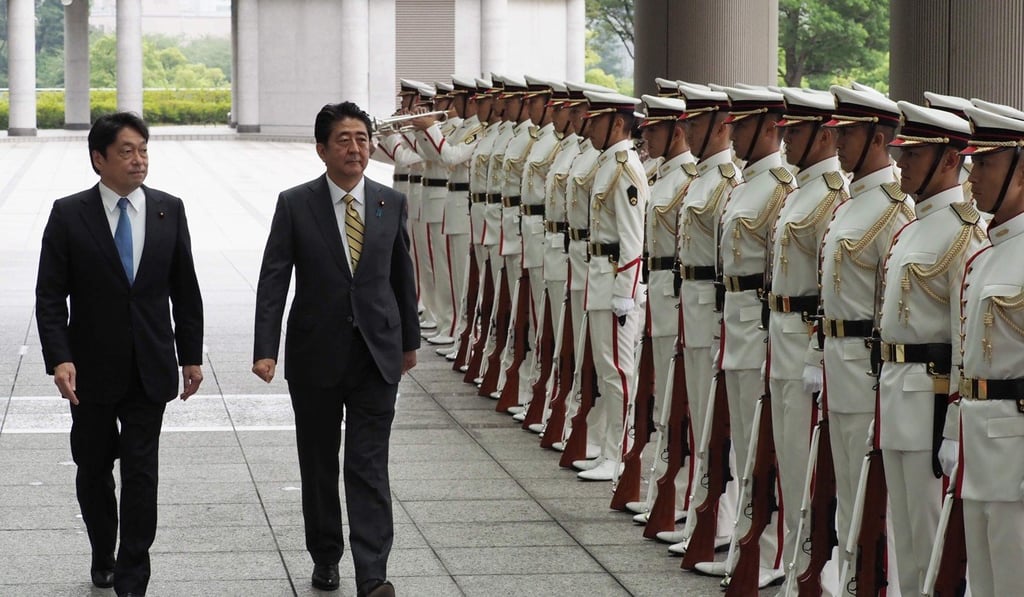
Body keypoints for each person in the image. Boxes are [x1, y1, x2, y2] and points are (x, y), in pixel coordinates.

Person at [252, 101, 419, 597]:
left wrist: (408, 341)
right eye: (344, 139)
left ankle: (373, 573)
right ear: (322, 148)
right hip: (315, 355)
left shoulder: (390, 202)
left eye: (363, 138)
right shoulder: (295, 203)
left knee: (369, 464)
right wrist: (266, 348)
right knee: (320, 462)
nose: (356, 148)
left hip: (376, 354)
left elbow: (401, 275)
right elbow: (274, 278)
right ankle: (326, 556)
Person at [35, 112, 204, 597]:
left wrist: (190, 356)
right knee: (93, 467)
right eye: (127, 151)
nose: (138, 160)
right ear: (99, 159)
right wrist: (59, 358)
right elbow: (50, 296)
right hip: (89, 369)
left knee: (141, 470)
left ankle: (134, 571)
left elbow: (185, 290)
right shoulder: (69, 214)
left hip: (151, 365)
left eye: (144, 150)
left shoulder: (169, 209)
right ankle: (102, 550)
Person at [879, 100, 984, 597]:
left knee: (930, 532)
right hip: (897, 391)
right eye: (902, 151)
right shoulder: (909, 229)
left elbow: (966, 338)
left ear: (947, 160)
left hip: (931, 398)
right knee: (904, 529)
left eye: (914, 154)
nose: (901, 163)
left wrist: (953, 425)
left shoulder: (965, 233)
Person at [955, 104, 1024, 597]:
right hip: (977, 438)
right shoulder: (984, 253)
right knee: (982, 577)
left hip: (1014, 447)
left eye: (986, 163)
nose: (972, 173)